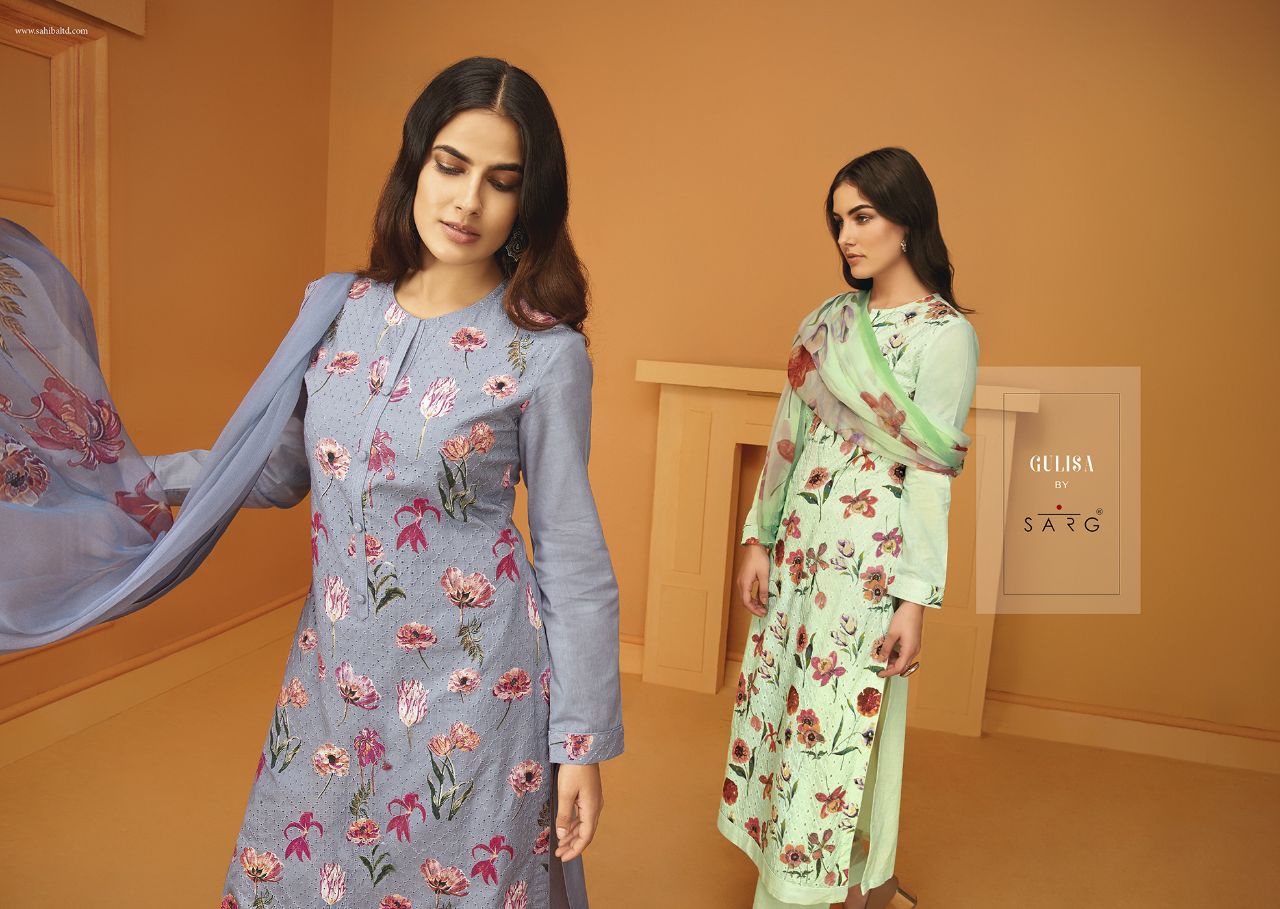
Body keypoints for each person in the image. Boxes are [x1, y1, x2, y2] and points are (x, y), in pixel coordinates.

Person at [0, 56, 621, 909]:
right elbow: (275, 468)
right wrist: (125, 478)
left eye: (501, 181)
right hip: (332, 681)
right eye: (450, 165)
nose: (468, 201)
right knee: (298, 878)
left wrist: (580, 741)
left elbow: (571, 554)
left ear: (528, 200)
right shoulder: (337, 308)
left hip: (477, 693)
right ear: (415, 163)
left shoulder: (545, 353)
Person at [716, 147, 980, 909]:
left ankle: (841, 886)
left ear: (908, 220)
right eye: (839, 221)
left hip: (869, 568)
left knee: (845, 724)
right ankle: (830, 880)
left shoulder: (944, 337)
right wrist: (758, 538)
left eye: (862, 217)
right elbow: (787, 436)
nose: (846, 236)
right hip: (800, 550)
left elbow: (930, 477)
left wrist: (913, 600)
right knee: (787, 711)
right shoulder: (828, 322)